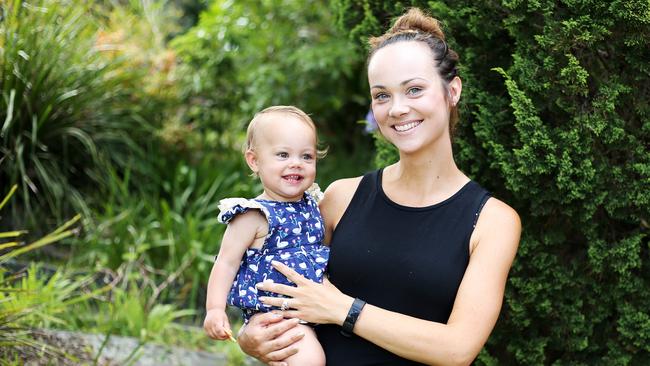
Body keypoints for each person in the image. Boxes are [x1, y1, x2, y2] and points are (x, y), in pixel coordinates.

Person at [236, 7, 521, 366]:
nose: (397, 108)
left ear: (453, 91)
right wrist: (251, 336)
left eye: (414, 90)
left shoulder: (493, 221)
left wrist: (343, 309)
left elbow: (457, 348)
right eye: (382, 95)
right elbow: (275, 281)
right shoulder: (341, 197)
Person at [203, 105, 329, 366]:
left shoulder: (313, 203)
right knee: (310, 360)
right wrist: (215, 309)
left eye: (307, 156)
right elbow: (226, 262)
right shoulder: (254, 215)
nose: (296, 163)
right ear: (254, 160)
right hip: (279, 314)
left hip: (316, 308)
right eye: (283, 154)